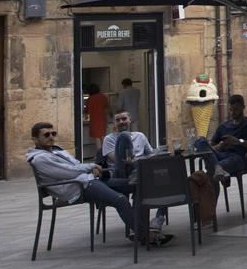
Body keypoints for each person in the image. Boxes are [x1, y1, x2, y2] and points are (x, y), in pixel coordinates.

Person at [26, 122, 172, 246]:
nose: (51, 137)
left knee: (137, 184)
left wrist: (92, 169)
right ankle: (145, 236)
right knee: (120, 200)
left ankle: (140, 227)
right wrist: (91, 167)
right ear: (35, 139)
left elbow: (76, 164)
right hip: (77, 187)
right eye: (46, 135)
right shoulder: (40, 159)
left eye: (53, 133)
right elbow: (68, 172)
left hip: (88, 180)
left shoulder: (57, 150)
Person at [102, 110, 166, 232]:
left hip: (139, 174)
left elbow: (151, 155)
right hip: (121, 174)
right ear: (114, 123)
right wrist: (134, 162)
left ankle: (155, 221)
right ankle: (138, 173)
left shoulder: (140, 136)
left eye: (124, 119)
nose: (121, 122)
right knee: (123, 136)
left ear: (130, 120)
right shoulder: (109, 139)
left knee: (165, 177)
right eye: (118, 120)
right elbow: (116, 161)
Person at [202, 95, 247, 182]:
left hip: (239, 157)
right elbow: (210, 148)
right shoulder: (223, 126)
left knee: (210, 172)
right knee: (201, 141)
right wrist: (220, 146)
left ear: (243, 107)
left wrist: (238, 141)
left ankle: (217, 168)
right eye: (231, 110)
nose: (233, 113)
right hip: (221, 155)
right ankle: (217, 167)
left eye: (236, 109)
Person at [84, 84, 110, 160]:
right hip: (103, 119)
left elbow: (86, 111)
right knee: (103, 137)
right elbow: (107, 108)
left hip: (94, 119)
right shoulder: (103, 97)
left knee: (97, 138)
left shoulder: (90, 99)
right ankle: (106, 153)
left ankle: (100, 155)